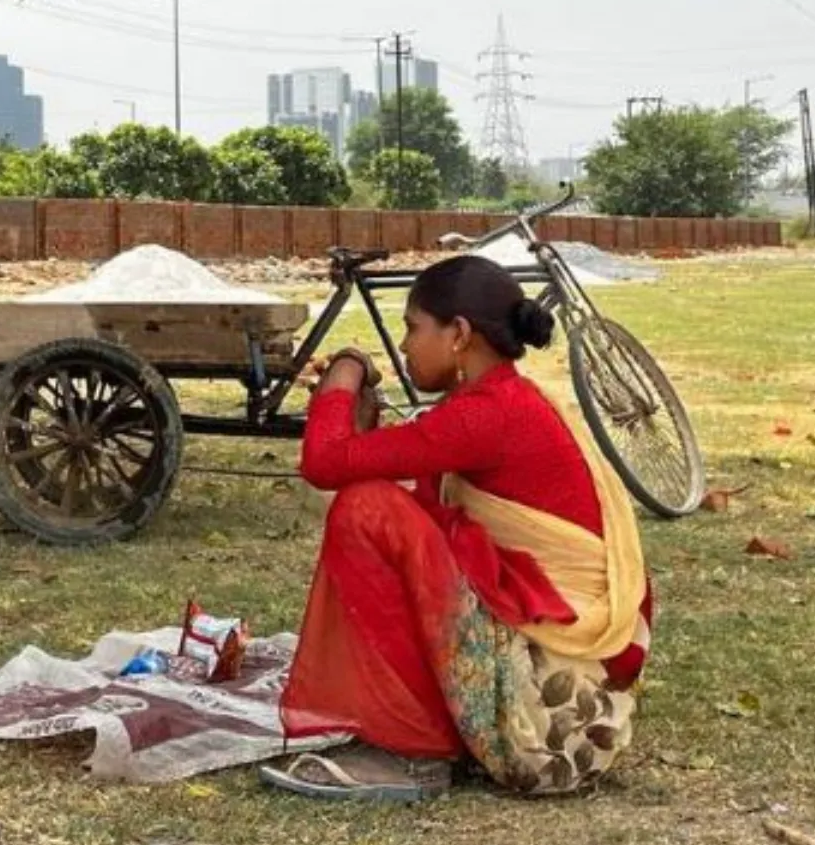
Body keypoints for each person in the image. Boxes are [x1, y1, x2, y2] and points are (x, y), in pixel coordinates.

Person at [262, 254, 651, 803]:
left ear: (459, 335)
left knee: (366, 510)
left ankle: (414, 750)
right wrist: (363, 430)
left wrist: (344, 371)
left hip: (548, 726)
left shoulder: (486, 415)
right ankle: (427, 728)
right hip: (570, 715)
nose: (403, 346)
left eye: (412, 328)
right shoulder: (501, 401)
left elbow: (325, 463)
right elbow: (423, 501)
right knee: (386, 511)